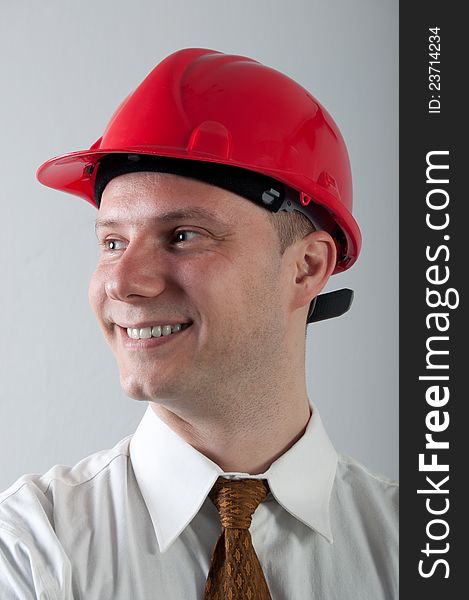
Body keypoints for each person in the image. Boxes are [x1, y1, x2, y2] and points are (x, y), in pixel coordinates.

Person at [0, 48, 398, 599]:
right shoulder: (29, 549)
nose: (122, 282)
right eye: (112, 242)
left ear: (307, 268)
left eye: (184, 235)